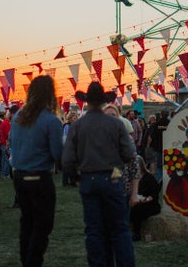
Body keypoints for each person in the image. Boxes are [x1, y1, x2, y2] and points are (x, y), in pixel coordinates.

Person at [62, 82, 136, 267]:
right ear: (104, 102)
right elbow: (129, 155)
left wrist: (77, 178)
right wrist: (116, 169)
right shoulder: (115, 124)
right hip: (113, 178)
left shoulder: (78, 126)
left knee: (94, 230)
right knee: (119, 229)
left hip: (89, 179)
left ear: (86, 102)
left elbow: (67, 160)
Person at [9, 75, 64, 267]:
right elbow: (57, 153)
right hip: (39, 178)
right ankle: (33, 263)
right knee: (42, 226)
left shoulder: (17, 117)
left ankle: (26, 262)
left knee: (27, 224)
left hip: (19, 176)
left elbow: (12, 145)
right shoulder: (51, 120)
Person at [130, 156, 161, 241]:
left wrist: (146, 199)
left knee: (137, 210)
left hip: (149, 204)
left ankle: (137, 234)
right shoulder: (131, 178)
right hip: (135, 202)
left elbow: (155, 193)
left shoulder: (149, 177)